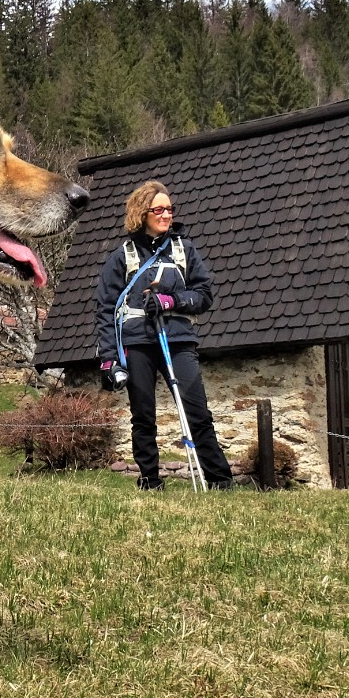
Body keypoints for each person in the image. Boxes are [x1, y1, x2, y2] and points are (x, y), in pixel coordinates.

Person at [94, 180, 234, 490]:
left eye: (170, 209)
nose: (167, 215)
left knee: (196, 410)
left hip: (178, 340)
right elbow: (106, 309)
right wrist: (108, 358)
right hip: (137, 342)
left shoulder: (184, 250)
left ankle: (220, 481)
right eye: (159, 209)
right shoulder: (124, 256)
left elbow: (205, 294)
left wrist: (172, 301)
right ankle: (150, 481)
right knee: (143, 415)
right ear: (143, 213)